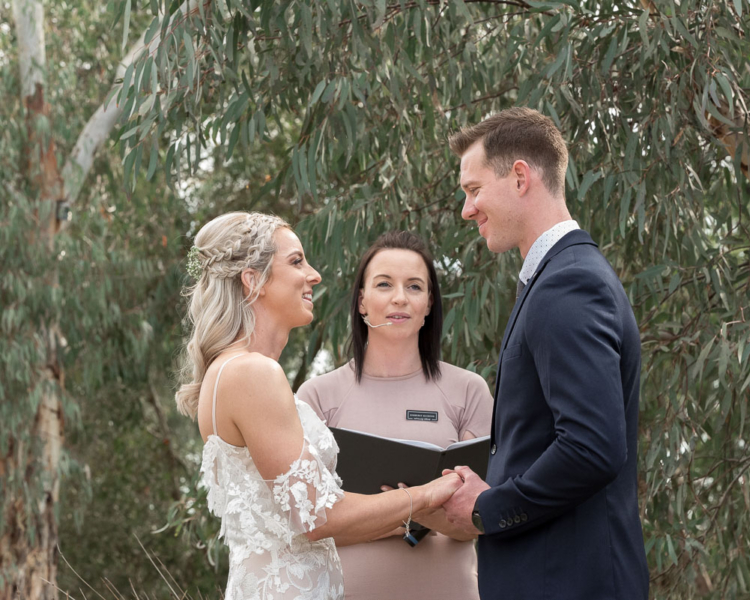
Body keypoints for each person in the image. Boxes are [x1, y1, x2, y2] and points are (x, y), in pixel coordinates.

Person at [175, 212, 462, 600]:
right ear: (252, 280)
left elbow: (297, 520)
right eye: (296, 262)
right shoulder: (253, 373)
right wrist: (426, 494)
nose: (314, 275)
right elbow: (318, 517)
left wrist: (405, 516)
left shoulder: (231, 370)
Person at [440, 108, 650, 599]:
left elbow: (591, 447)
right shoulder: (558, 278)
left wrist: (487, 508)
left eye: (474, 189)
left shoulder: (567, 283)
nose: (467, 209)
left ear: (520, 178)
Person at [297, 231, 493, 600]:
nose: (400, 297)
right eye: (384, 284)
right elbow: (310, 524)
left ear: (429, 303)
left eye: (414, 286)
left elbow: (477, 520)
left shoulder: (469, 391)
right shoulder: (317, 397)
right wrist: (425, 504)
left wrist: (383, 512)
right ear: (362, 301)